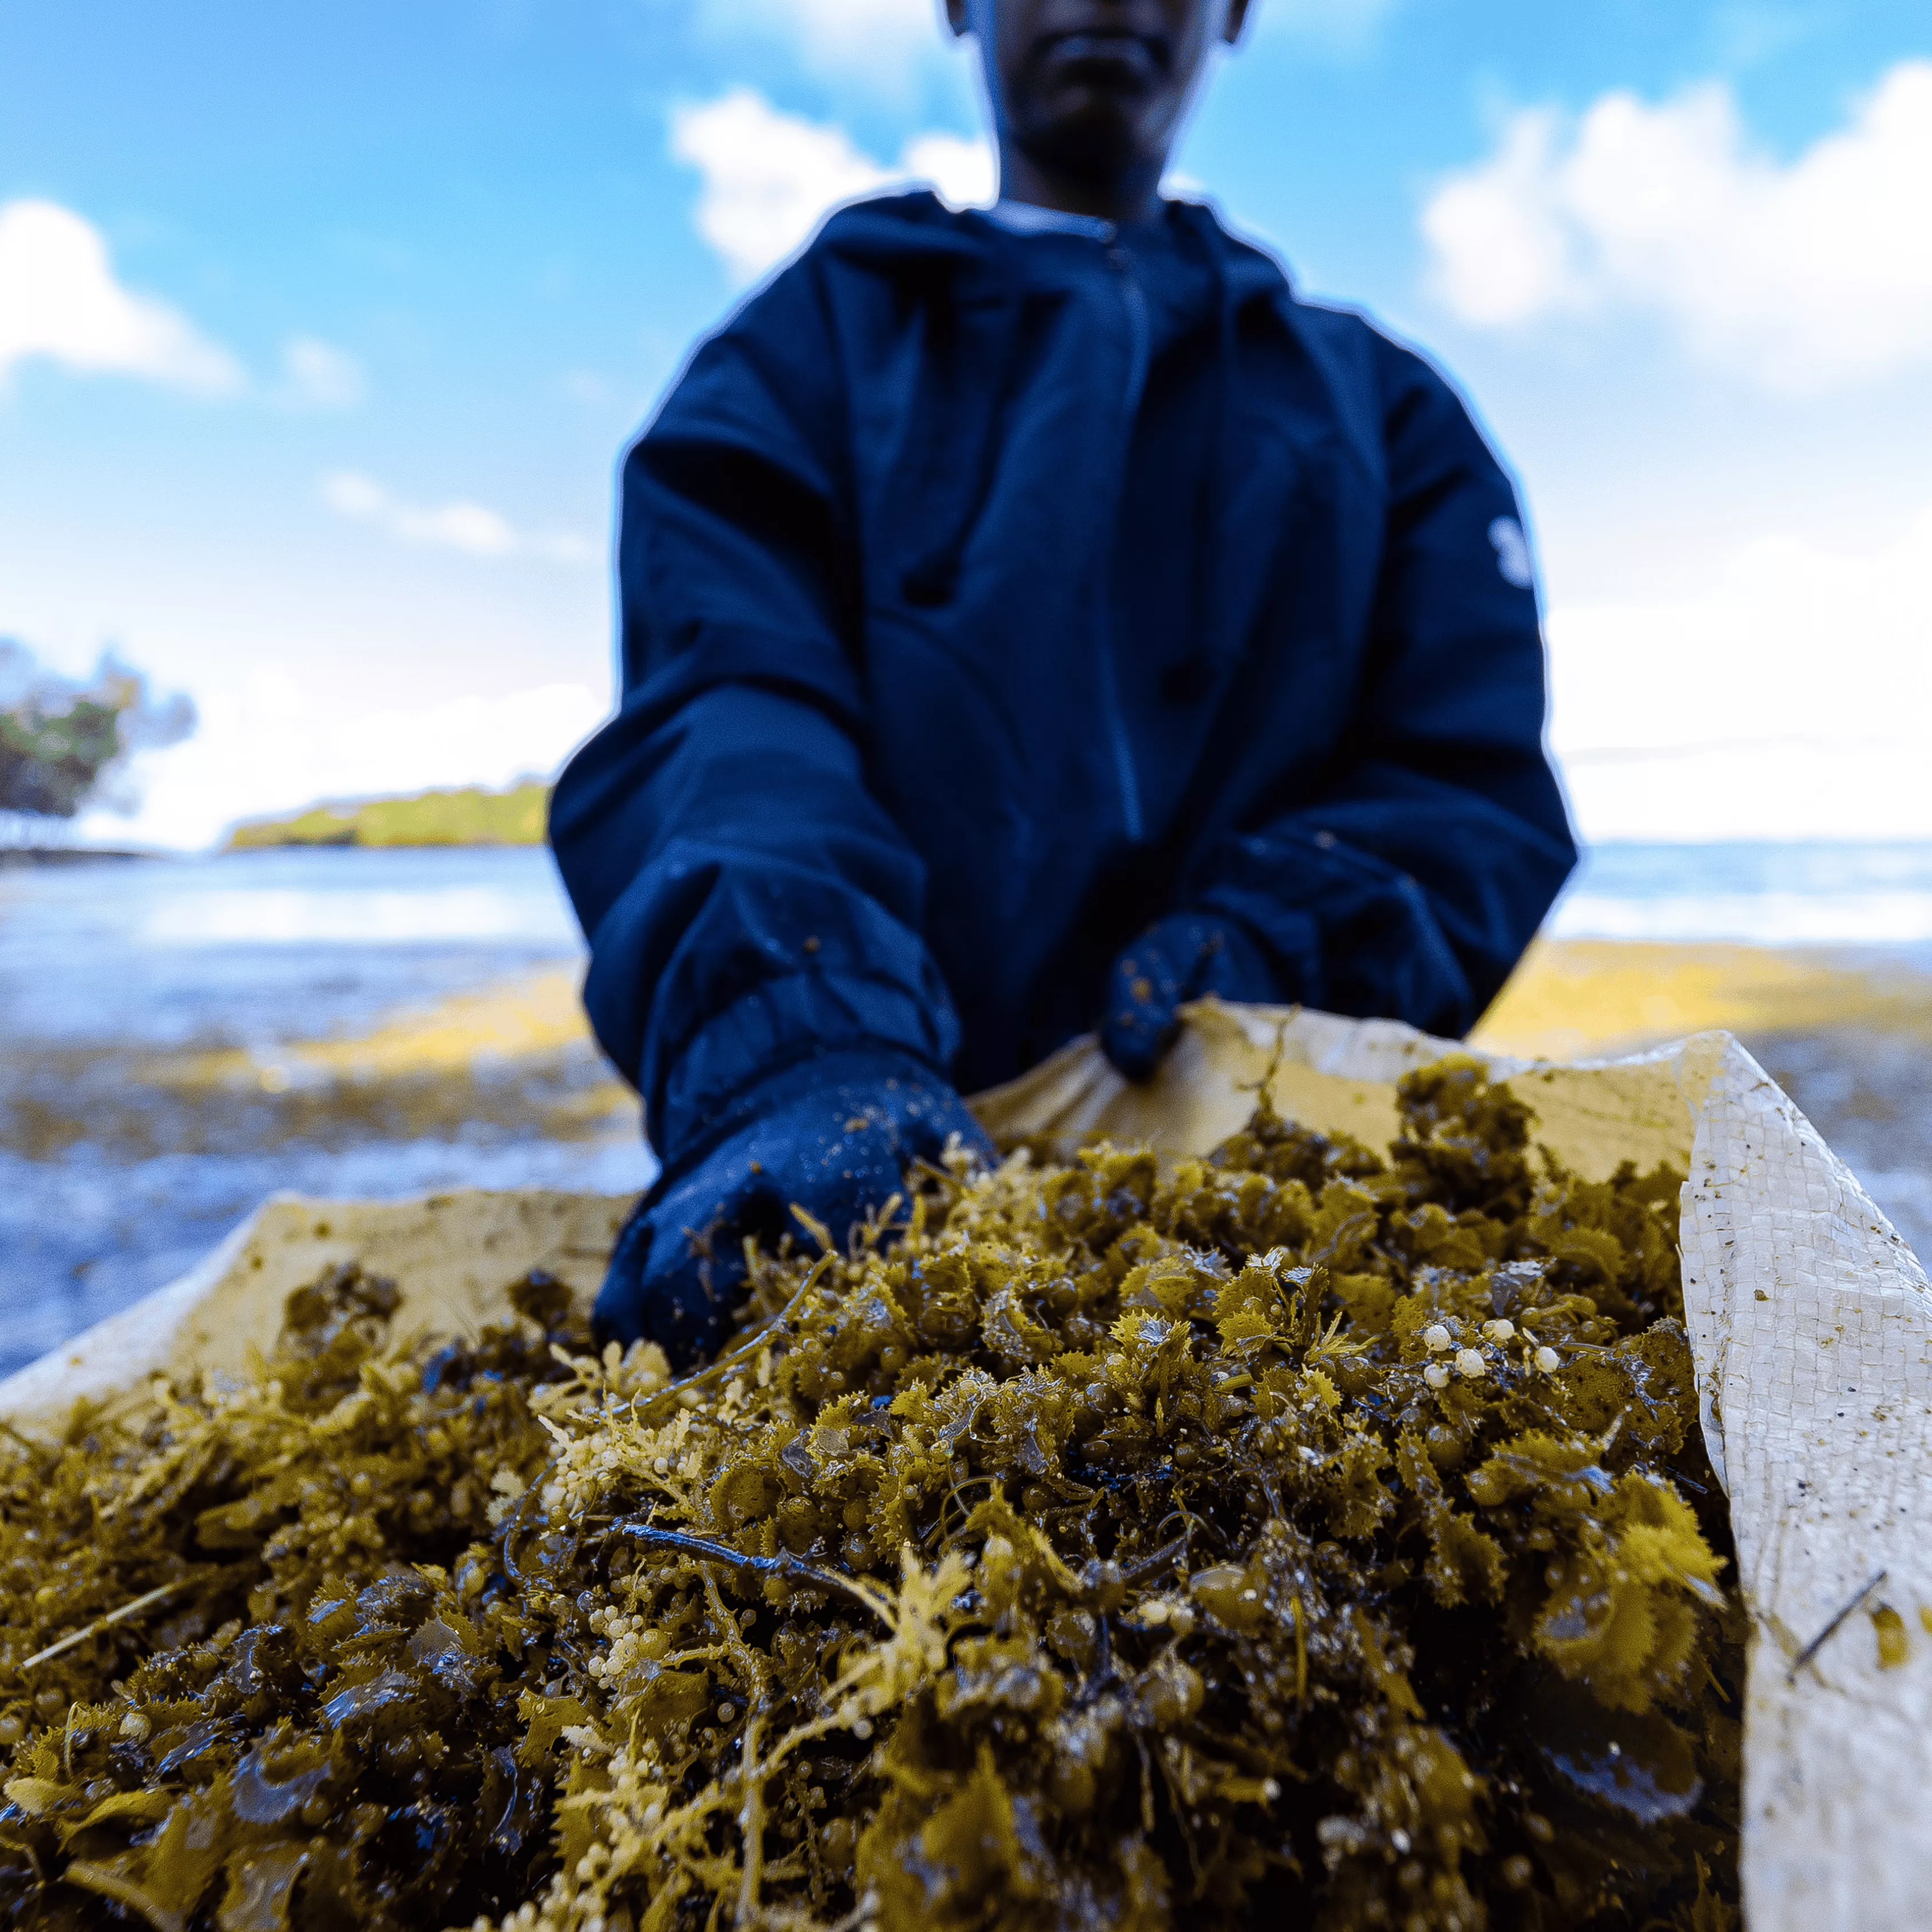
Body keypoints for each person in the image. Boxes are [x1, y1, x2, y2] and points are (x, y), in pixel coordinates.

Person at [551, 0, 1577, 1366]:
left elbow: (1465, 780)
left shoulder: (1385, 416)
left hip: (1249, 1201)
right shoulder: (806, 356)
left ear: (1234, 15)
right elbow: (723, 711)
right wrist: (796, 1038)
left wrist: (1292, 932)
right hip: (836, 1141)